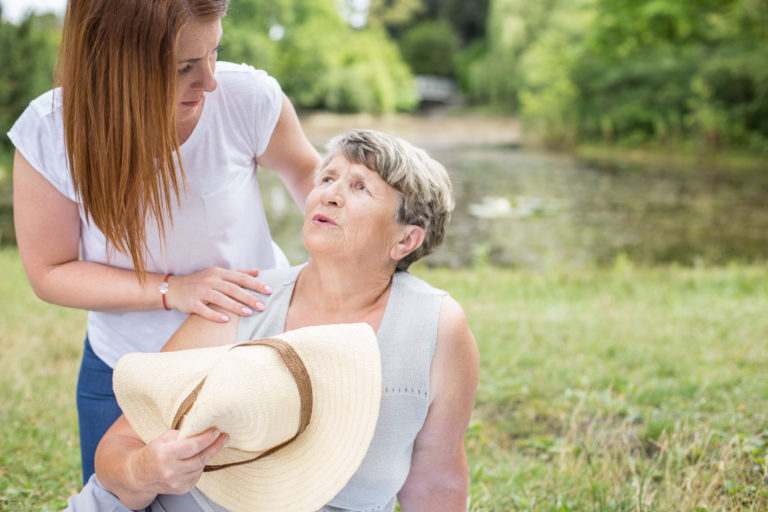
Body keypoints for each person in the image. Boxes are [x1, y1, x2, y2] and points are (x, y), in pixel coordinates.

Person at [66, 129, 479, 512]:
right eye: (328, 178)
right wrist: (145, 469)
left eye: (360, 187)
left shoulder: (436, 328)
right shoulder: (246, 299)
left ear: (406, 240)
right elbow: (121, 445)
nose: (329, 195)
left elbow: (436, 482)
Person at [7, 0, 321, 484]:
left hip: (251, 361)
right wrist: (172, 289)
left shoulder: (248, 97)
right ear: (113, 66)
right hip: (123, 372)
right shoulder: (50, 132)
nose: (210, 80)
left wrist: (338, 262)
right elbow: (50, 273)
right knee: (117, 496)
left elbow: (306, 173)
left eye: (214, 52)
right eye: (183, 67)